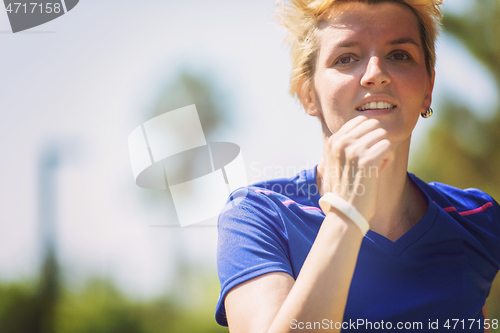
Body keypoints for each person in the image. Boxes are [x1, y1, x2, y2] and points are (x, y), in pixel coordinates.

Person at [215, 0, 500, 332]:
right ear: (308, 94)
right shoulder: (258, 216)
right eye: (346, 58)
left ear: (428, 89)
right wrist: (347, 213)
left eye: (400, 55)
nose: (376, 73)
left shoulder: (479, 219)